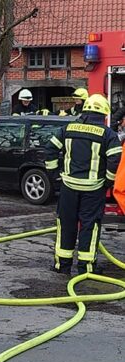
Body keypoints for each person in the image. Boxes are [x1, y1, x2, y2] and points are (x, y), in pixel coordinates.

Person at [45, 94, 121, 275]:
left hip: (69, 187)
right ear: (103, 115)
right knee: (89, 226)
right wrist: (108, 182)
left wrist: (55, 174)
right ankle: (86, 268)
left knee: (66, 225)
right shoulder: (107, 134)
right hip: (93, 189)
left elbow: (50, 148)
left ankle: (62, 266)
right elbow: (115, 159)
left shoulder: (68, 128)